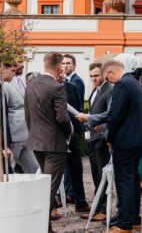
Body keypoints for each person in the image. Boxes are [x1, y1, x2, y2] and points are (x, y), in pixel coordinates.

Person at [25, 52, 72, 233]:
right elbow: (62, 117)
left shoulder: (30, 86)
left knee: (45, 188)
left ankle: (46, 227)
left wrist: (34, 135)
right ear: (59, 67)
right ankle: (41, 228)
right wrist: (70, 130)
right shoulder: (57, 87)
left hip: (36, 142)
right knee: (48, 190)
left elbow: (27, 116)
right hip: (54, 143)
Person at [105, 58, 142, 232]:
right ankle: (134, 220)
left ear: (111, 72)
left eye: (107, 78)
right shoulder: (135, 83)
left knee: (124, 182)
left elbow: (115, 116)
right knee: (132, 181)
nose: (109, 81)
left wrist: (109, 137)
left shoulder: (122, 85)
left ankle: (124, 224)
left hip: (125, 141)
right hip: (136, 139)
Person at [79, 62, 112, 222]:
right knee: (95, 174)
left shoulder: (110, 90)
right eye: (91, 76)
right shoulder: (95, 90)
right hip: (92, 136)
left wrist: (103, 126)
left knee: (102, 174)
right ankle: (98, 206)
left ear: (104, 74)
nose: (93, 78)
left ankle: (104, 210)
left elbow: (111, 113)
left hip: (102, 138)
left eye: (96, 75)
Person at [59, 64, 89, 214]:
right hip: (56, 136)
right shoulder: (46, 88)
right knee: (56, 171)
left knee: (77, 169)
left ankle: (81, 202)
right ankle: (53, 204)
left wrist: (77, 131)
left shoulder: (71, 87)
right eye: (61, 66)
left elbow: (78, 109)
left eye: (65, 65)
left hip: (72, 136)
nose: (63, 69)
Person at [2, 61, 39, 174]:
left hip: (25, 132)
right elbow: (4, 112)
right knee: (9, 167)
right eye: (12, 70)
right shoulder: (5, 85)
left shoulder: (21, 80)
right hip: (15, 133)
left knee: (35, 168)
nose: (13, 73)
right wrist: (8, 139)